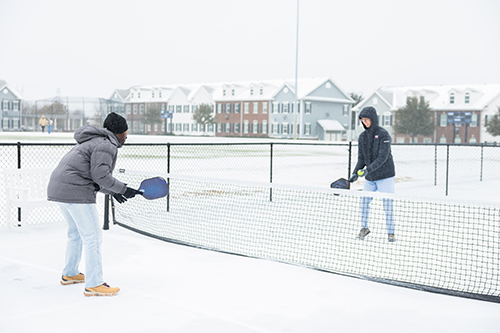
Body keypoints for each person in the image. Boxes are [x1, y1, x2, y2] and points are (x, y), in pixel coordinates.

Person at [47, 112, 141, 296]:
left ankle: (70, 273)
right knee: (93, 237)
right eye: (125, 132)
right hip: (76, 191)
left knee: (75, 233)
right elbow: (100, 176)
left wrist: (114, 191)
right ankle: (94, 284)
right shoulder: (107, 145)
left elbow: (93, 176)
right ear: (119, 132)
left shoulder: (95, 142)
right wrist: (123, 189)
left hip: (58, 188)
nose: (127, 136)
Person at [348, 106, 396, 242]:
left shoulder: (383, 134)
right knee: (364, 202)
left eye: (367, 119)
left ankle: (391, 233)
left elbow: (383, 157)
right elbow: (361, 159)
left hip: (385, 176)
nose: (365, 122)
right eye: (362, 120)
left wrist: (368, 169)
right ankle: (364, 228)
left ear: (373, 119)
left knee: (387, 205)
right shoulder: (362, 137)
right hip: (370, 178)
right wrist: (355, 173)